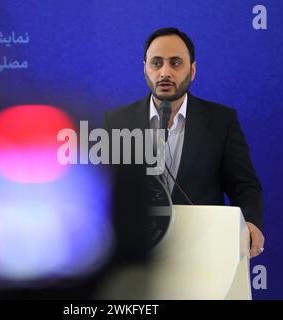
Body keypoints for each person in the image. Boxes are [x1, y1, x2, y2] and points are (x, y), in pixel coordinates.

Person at [103, 27, 265, 258]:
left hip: (202, 253)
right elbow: (105, 191)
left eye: (176, 63)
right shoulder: (117, 121)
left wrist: (250, 221)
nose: (165, 72)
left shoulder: (221, 121)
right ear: (145, 69)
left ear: (193, 70)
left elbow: (244, 186)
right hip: (138, 258)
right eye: (156, 63)